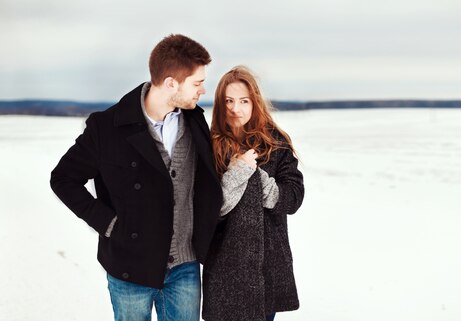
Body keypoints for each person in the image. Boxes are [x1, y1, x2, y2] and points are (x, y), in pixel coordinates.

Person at [50, 34, 222, 321]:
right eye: (197, 82)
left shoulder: (195, 121)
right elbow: (63, 179)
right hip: (129, 267)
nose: (203, 90)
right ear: (171, 83)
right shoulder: (106, 127)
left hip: (185, 266)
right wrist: (107, 223)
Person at [202, 66, 305, 321]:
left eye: (243, 101)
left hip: (267, 264)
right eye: (229, 101)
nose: (236, 108)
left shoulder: (276, 143)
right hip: (225, 265)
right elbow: (209, 209)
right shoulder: (208, 146)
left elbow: (292, 198)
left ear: (255, 102)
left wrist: (255, 175)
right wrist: (237, 172)